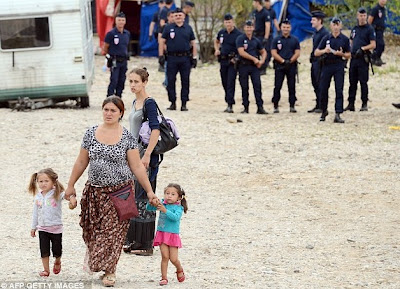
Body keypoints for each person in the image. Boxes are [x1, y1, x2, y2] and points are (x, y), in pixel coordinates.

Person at [64, 96, 159, 287]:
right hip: (94, 191)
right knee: (92, 231)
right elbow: (81, 161)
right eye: (106, 109)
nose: (108, 113)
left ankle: (110, 271)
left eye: (113, 110)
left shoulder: (127, 138)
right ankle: (102, 263)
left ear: (121, 113)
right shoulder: (90, 133)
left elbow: (137, 167)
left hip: (120, 192)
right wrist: (70, 184)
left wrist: (149, 191)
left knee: (113, 233)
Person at [123, 68, 161, 256]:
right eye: (130, 81)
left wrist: (147, 155)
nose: (133, 85)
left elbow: (156, 130)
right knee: (133, 196)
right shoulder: (134, 102)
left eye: (136, 81)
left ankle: (146, 243)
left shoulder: (149, 103)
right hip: (132, 155)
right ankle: (133, 239)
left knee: (145, 195)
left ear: (145, 82)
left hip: (144, 157)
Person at [29, 168, 77, 277]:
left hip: (56, 228)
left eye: (46, 181)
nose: (43, 184)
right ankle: (46, 270)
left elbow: (67, 196)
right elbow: (35, 213)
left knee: (57, 250)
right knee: (44, 250)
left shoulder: (57, 194)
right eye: (40, 181)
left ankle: (58, 261)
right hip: (42, 228)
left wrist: (72, 199)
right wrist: (33, 227)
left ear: (53, 182)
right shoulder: (38, 197)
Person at [146, 183, 188, 286]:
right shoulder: (162, 203)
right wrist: (151, 202)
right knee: (164, 256)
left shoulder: (179, 208)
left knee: (173, 258)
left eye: (173, 194)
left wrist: (165, 211)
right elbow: (149, 208)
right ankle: (164, 277)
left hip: (173, 235)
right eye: (167, 193)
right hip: (162, 233)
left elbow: (175, 218)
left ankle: (179, 268)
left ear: (179, 197)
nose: (169, 196)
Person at [159, 7, 197, 111]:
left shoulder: (188, 28)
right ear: (173, 17)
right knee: (170, 81)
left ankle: (184, 103)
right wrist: (161, 56)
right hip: (171, 58)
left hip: (185, 58)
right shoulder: (168, 28)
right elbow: (162, 41)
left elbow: (193, 43)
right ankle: (172, 102)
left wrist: (194, 57)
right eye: (176, 16)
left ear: (184, 17)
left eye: (180, 15)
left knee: (185, 81)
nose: (178, 17)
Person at [314, 17, 351, 123]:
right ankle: (324, 110)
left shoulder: (344, 39)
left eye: (337, 25)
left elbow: (349, 54)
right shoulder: (326, 38)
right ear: (330, 26)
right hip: (327, 65)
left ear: (340, 26)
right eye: (333, 25)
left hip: (338, 65)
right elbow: (316, 52)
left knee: (339, 89)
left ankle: (338, 113)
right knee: (323, 89)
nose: (335, 27)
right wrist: (324, 51)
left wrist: (342, 54)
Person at [345, 7, 376, 112]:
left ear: (366, 16)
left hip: (363, 58)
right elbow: (351, 41)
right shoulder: (354, 29)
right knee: (352, 82)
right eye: (360, 15)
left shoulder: (369, 29)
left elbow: (373, 44)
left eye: (364, 16)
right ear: (357, 16)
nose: (362, 18)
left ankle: (364, 103)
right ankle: (351, 103)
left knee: (363, 82)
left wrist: (363, 49)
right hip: (354, 58)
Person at [236, 20, 268, 114]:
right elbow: (241, 52)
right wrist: (254, 59)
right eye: (247, 27)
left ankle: (260, 107)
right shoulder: (240, 39)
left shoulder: (256, 40)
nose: (249, 29)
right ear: (244, 28)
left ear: (253, 28)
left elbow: (263, 51)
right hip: (243, 65)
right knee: (244, 87)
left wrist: (262, 61)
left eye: (250, 27)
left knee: (257, 86)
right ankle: (246, 107)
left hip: (254, 67)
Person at [214, 13, 242, 113]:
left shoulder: (238, 34)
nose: (228, 24)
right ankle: (228, 100)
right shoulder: (222, 32)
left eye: (229, 22)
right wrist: (217, 49)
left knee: (231, 82)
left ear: (233, 22)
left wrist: (237, 58)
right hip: (223, 60)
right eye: (226, 22)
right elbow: (216, 41)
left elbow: (240, 48)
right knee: (224, 81)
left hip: (232, 61)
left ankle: (230, 104)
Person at [271, 19, 300, 113]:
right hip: (280, 66)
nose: (286, 29)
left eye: (287, 27)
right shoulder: (276, 40)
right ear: (280, 28)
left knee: (291, 86)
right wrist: (283, 61)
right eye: (284, 27)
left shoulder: (295, 39)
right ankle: (275, 105)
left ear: (290, 28)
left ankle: (292, 105)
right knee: (277, 86)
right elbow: (273, 52)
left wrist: (290, 61)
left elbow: (297, 52)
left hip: (291, 65)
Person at [103, 12, 130, 98]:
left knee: (122, 81)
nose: (121, 22)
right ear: (115, 21)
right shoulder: (111, 34)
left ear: (125, 21)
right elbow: (105, 47)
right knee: (114, 80)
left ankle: (118, 99)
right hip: (115, 61)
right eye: (119, 20)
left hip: (124, 61)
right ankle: (110, 98)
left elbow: (126, 46)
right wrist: (108, 57)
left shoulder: (127, 34)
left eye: (122, 20)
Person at [308, 10, 329, 113]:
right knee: (315, 83)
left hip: (321, 62)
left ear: (319, 21)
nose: (311, 21)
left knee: (320, 83)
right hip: (315, 61)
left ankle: (322, 105)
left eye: (313, 20)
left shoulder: (325, 33)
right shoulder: (316, 33)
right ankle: (318, 103)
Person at [252, 0, 271, 75]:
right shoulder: (254, 12)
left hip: (262, 34)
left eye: (253, 2)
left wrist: (266, 37)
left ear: (257, 2)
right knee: (255, 51)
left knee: (264, 52)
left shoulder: (265, 13)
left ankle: (263, 69)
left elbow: (267, 25)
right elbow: (253, 22)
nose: (253, 4)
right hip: (256, 34)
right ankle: (257, 67)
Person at [368, 0, 387, 66]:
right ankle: (373, 58)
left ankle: (377, 58)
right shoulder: (375, 9)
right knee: (379, 44)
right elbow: (370, 19)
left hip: (381, 30)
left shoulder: (384, 9)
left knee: (381, 45)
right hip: (376, 29)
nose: (383, 1)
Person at [264, 0, 280, 68]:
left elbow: (275, 20)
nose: (267, 3)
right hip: (262, 33)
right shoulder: (262, 11)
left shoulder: (272, 11)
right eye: (266, 2)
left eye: (268, 2)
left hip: (270, 33)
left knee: (270, 48)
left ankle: (267, 62)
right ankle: (263, 63)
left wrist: (278, 29)